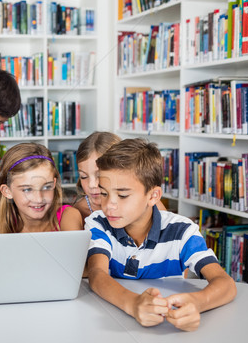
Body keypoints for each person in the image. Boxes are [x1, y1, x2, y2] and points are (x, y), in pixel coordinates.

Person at [86, 138, 237, 332]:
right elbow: (97, 275)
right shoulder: (98, 222)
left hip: (167, 328)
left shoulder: (182, 231)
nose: (109, 205)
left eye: (122, 195)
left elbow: (225, 283)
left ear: (153, 196)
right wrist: (133, 304)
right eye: (104, 193)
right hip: (116, 327)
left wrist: (197, 302)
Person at [0, 143, 83, 233]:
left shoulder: (68, 216)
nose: (38, 199)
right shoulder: (0, 219)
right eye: (27, 189)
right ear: (7, 191)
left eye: (46, 187)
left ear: (54, 183)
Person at [74, 131, 165, 224]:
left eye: (99, 175)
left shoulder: (151, 204)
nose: (92, 184)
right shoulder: (76, 212)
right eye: (83, 176)